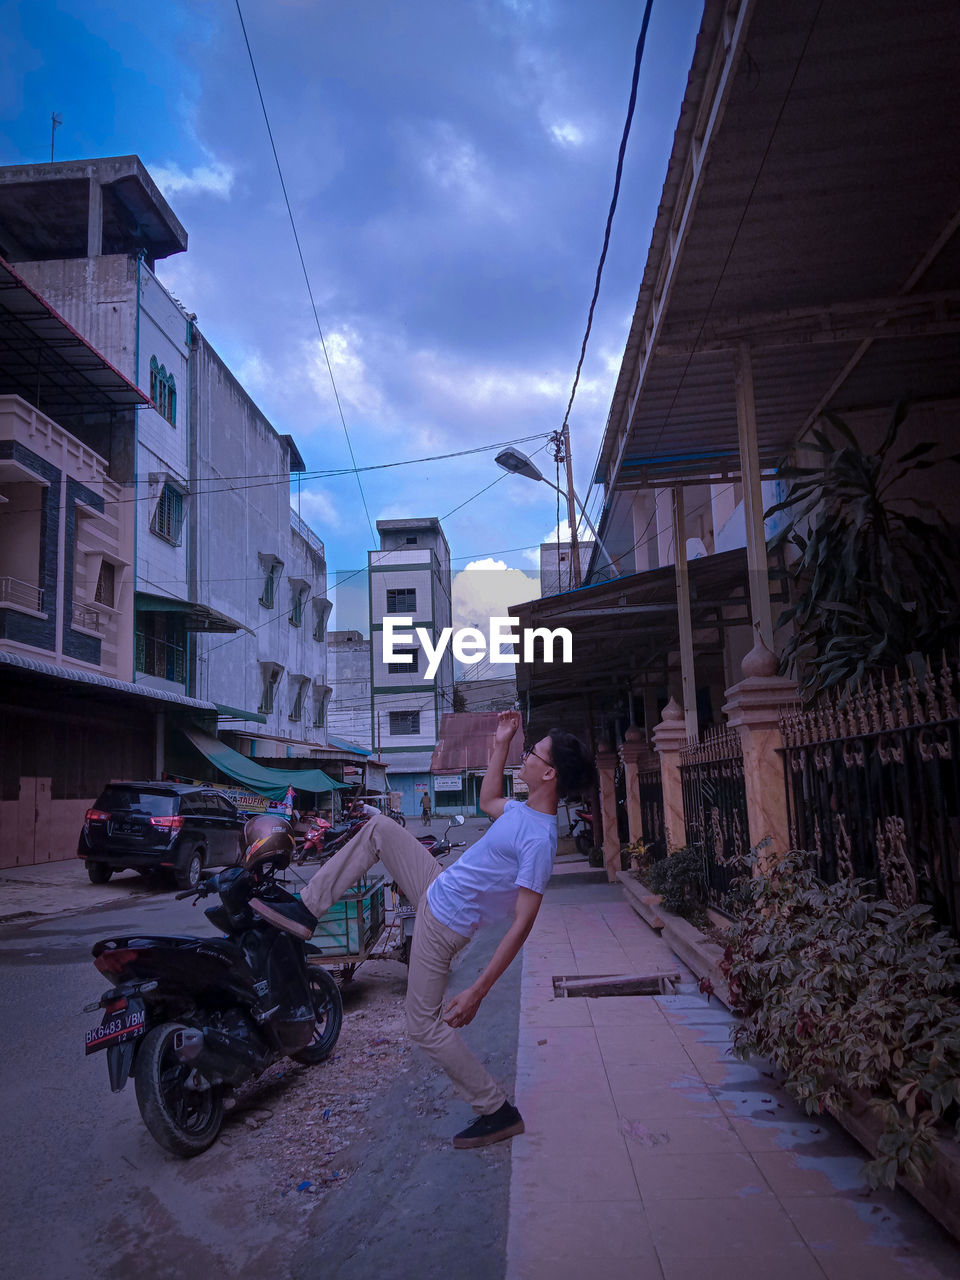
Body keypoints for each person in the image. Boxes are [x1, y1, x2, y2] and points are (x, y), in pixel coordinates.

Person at [250, 709, 595, 1150]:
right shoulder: (521, 811)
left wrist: (477, 991)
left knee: (422, 1026)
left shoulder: (539, 840)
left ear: (549, 772)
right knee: (378, 828)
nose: (524, 757)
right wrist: (503, 741)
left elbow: (523, 924)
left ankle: (496, 1110)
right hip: (435, 885)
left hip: (443, 923)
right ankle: (305, 910)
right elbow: (488, 798)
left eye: (532, 753)